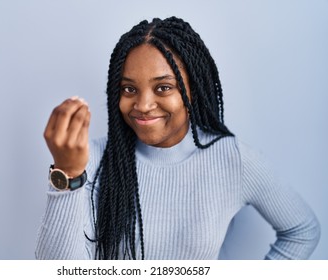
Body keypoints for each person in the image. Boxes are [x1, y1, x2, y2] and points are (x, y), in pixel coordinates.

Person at [35, 16, 320, 260]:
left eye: (163, 88)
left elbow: (302, 230)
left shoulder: (233, 160)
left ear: (192, 91)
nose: (143, 105)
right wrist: (68, 174)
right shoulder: (93, 161)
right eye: (129, 89)